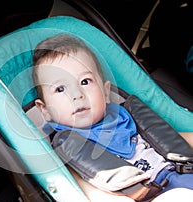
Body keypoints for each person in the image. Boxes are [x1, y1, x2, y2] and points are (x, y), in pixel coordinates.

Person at [31, 33, 193, 200]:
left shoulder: (126, 117)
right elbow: (84, 188)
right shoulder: (67, 147)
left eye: (85, 82)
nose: (76, 94)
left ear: (106, 92)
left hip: (182, 174)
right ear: (45, 110)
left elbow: (171, 138)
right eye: (60, 89)